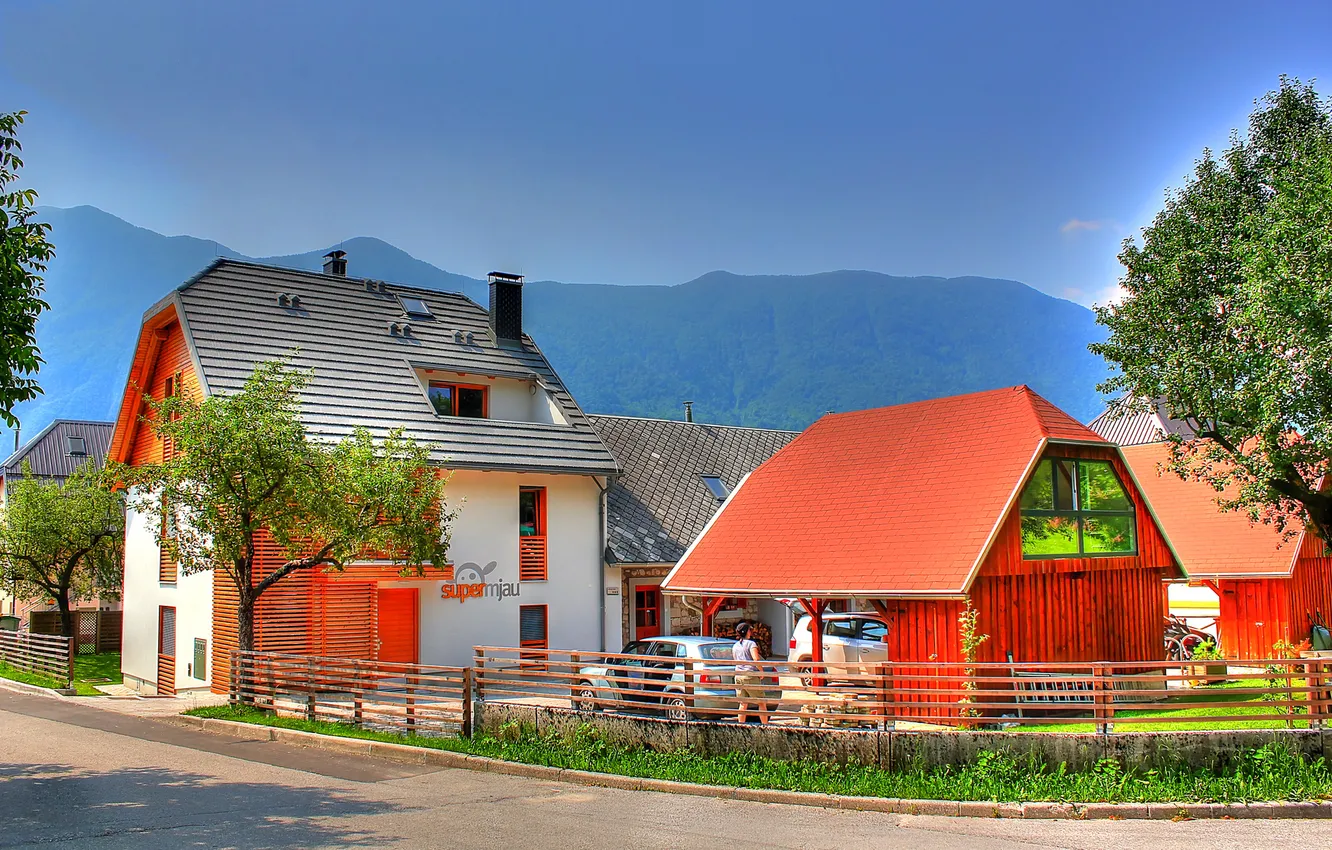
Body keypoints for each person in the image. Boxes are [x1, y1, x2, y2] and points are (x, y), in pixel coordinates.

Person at [732, 621, 768, 724]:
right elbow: (756, 659)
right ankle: (765, 726)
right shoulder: (751, 644)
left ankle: (741, 725)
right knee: (761, 702)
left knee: (743, 703)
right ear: (747, 631)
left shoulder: (735, 646)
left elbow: (735, 660)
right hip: (750, 675)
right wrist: (761, 672)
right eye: (750, 630)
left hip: (739, 675)